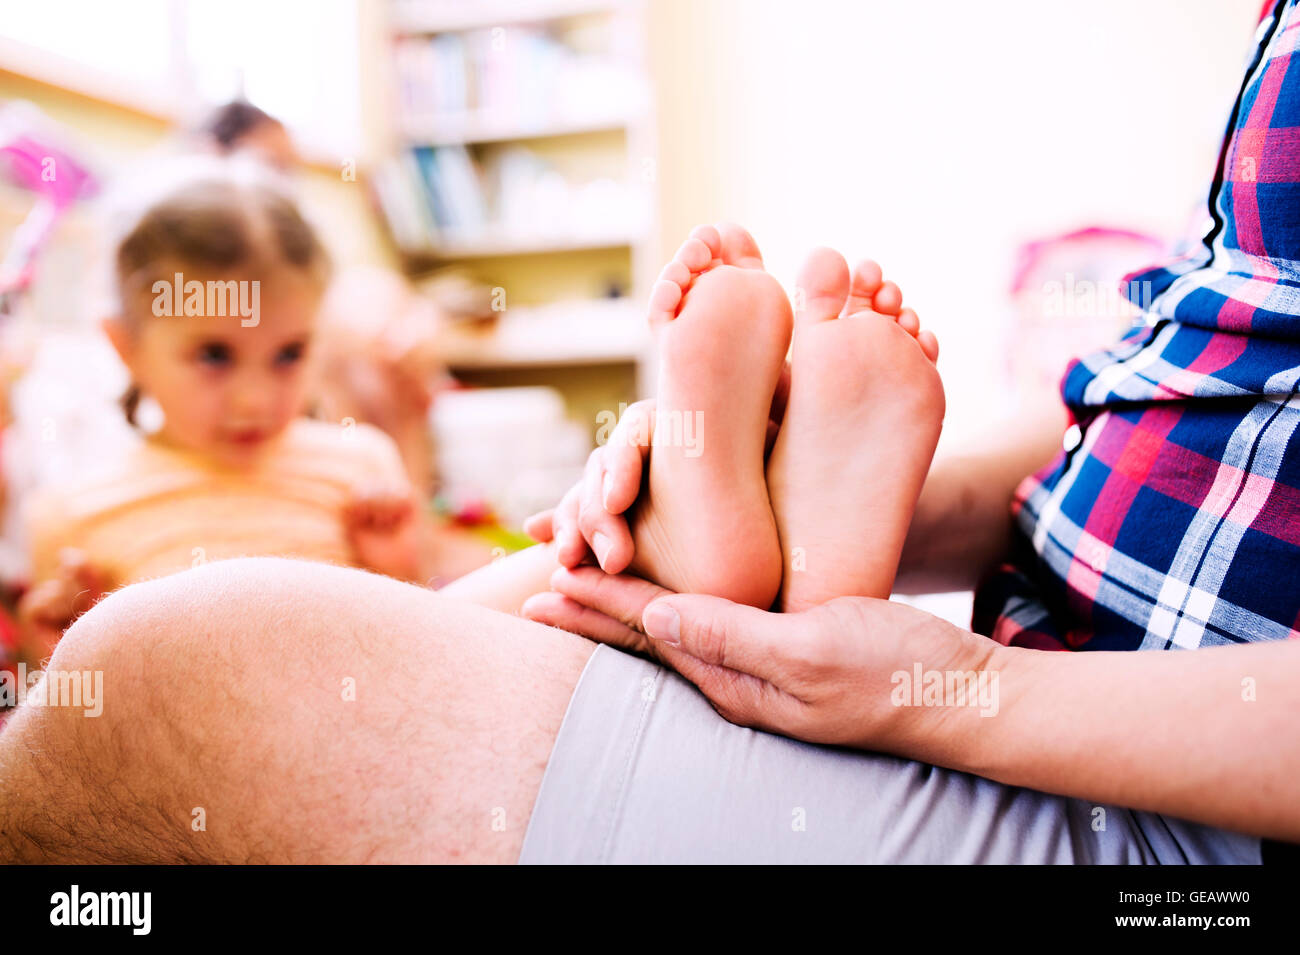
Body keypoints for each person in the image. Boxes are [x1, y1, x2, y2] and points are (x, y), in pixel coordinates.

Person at [2, 1, 1298, 865]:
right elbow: (1184, 393)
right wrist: (847, 509)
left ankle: (738, 538)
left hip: (1163, 823)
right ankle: (772, 533)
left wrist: (941, 692)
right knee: (547, 584)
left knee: (173, 677)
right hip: (1072, 669)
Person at [14, 161, 422, 665]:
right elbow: (65, 716)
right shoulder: (71, 514)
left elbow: (406, 659)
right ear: (126, 346)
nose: (255, 400)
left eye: (289, 354)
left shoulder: (362, 469)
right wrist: (56, 649)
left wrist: (397, 572)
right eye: (214, 356)